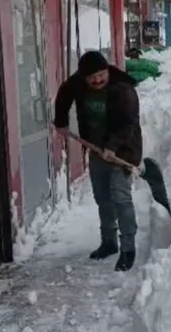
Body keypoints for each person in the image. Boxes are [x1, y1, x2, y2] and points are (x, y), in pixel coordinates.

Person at [53, 51, 142, 271]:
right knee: (103, 197)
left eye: (101, 75)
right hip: (96, 150)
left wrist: (112, 148)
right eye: (92, 77)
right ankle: (109, 242)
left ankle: (128, 248)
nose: (97, 80)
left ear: (107, 71)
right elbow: (64, 92)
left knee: (121, 197)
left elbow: (128, 125)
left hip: (123, 152)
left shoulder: (123, 90)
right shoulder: (79, 83)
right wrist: (61, 120)